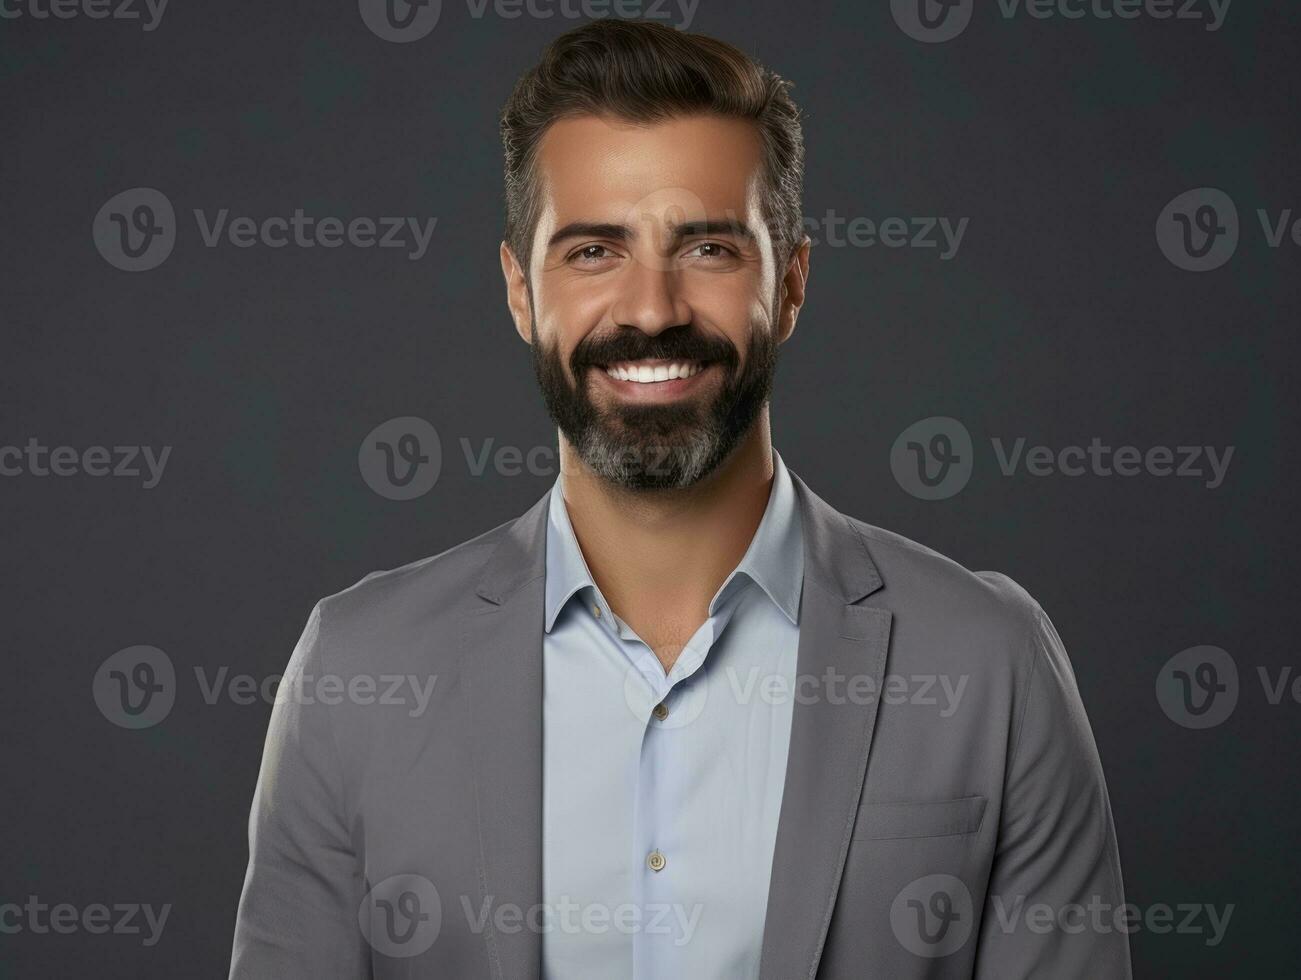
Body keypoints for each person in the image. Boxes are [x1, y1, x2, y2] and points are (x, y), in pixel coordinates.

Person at [230, 19, 1130, 979]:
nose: (651, 308)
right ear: (519, 293)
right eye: (591, 252)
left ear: (789, 285)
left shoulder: (990, 660)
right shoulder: (355, 671)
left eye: (706, 248)